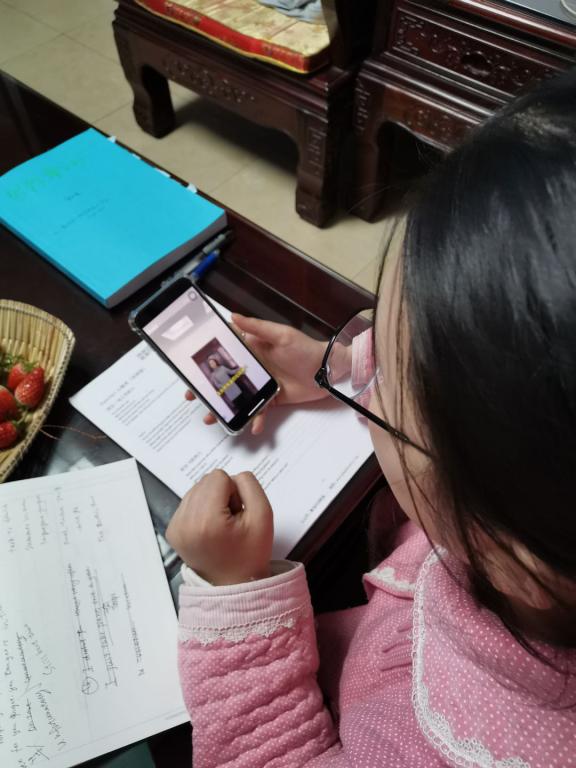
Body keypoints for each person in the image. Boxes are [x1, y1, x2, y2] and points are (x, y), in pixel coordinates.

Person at [167, 70, 576, 767]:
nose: (363, 369)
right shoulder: (539, 513)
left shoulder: (427, 749)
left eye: (382, 375)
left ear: (509, 554)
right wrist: (329, 367)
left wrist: (237, 597)